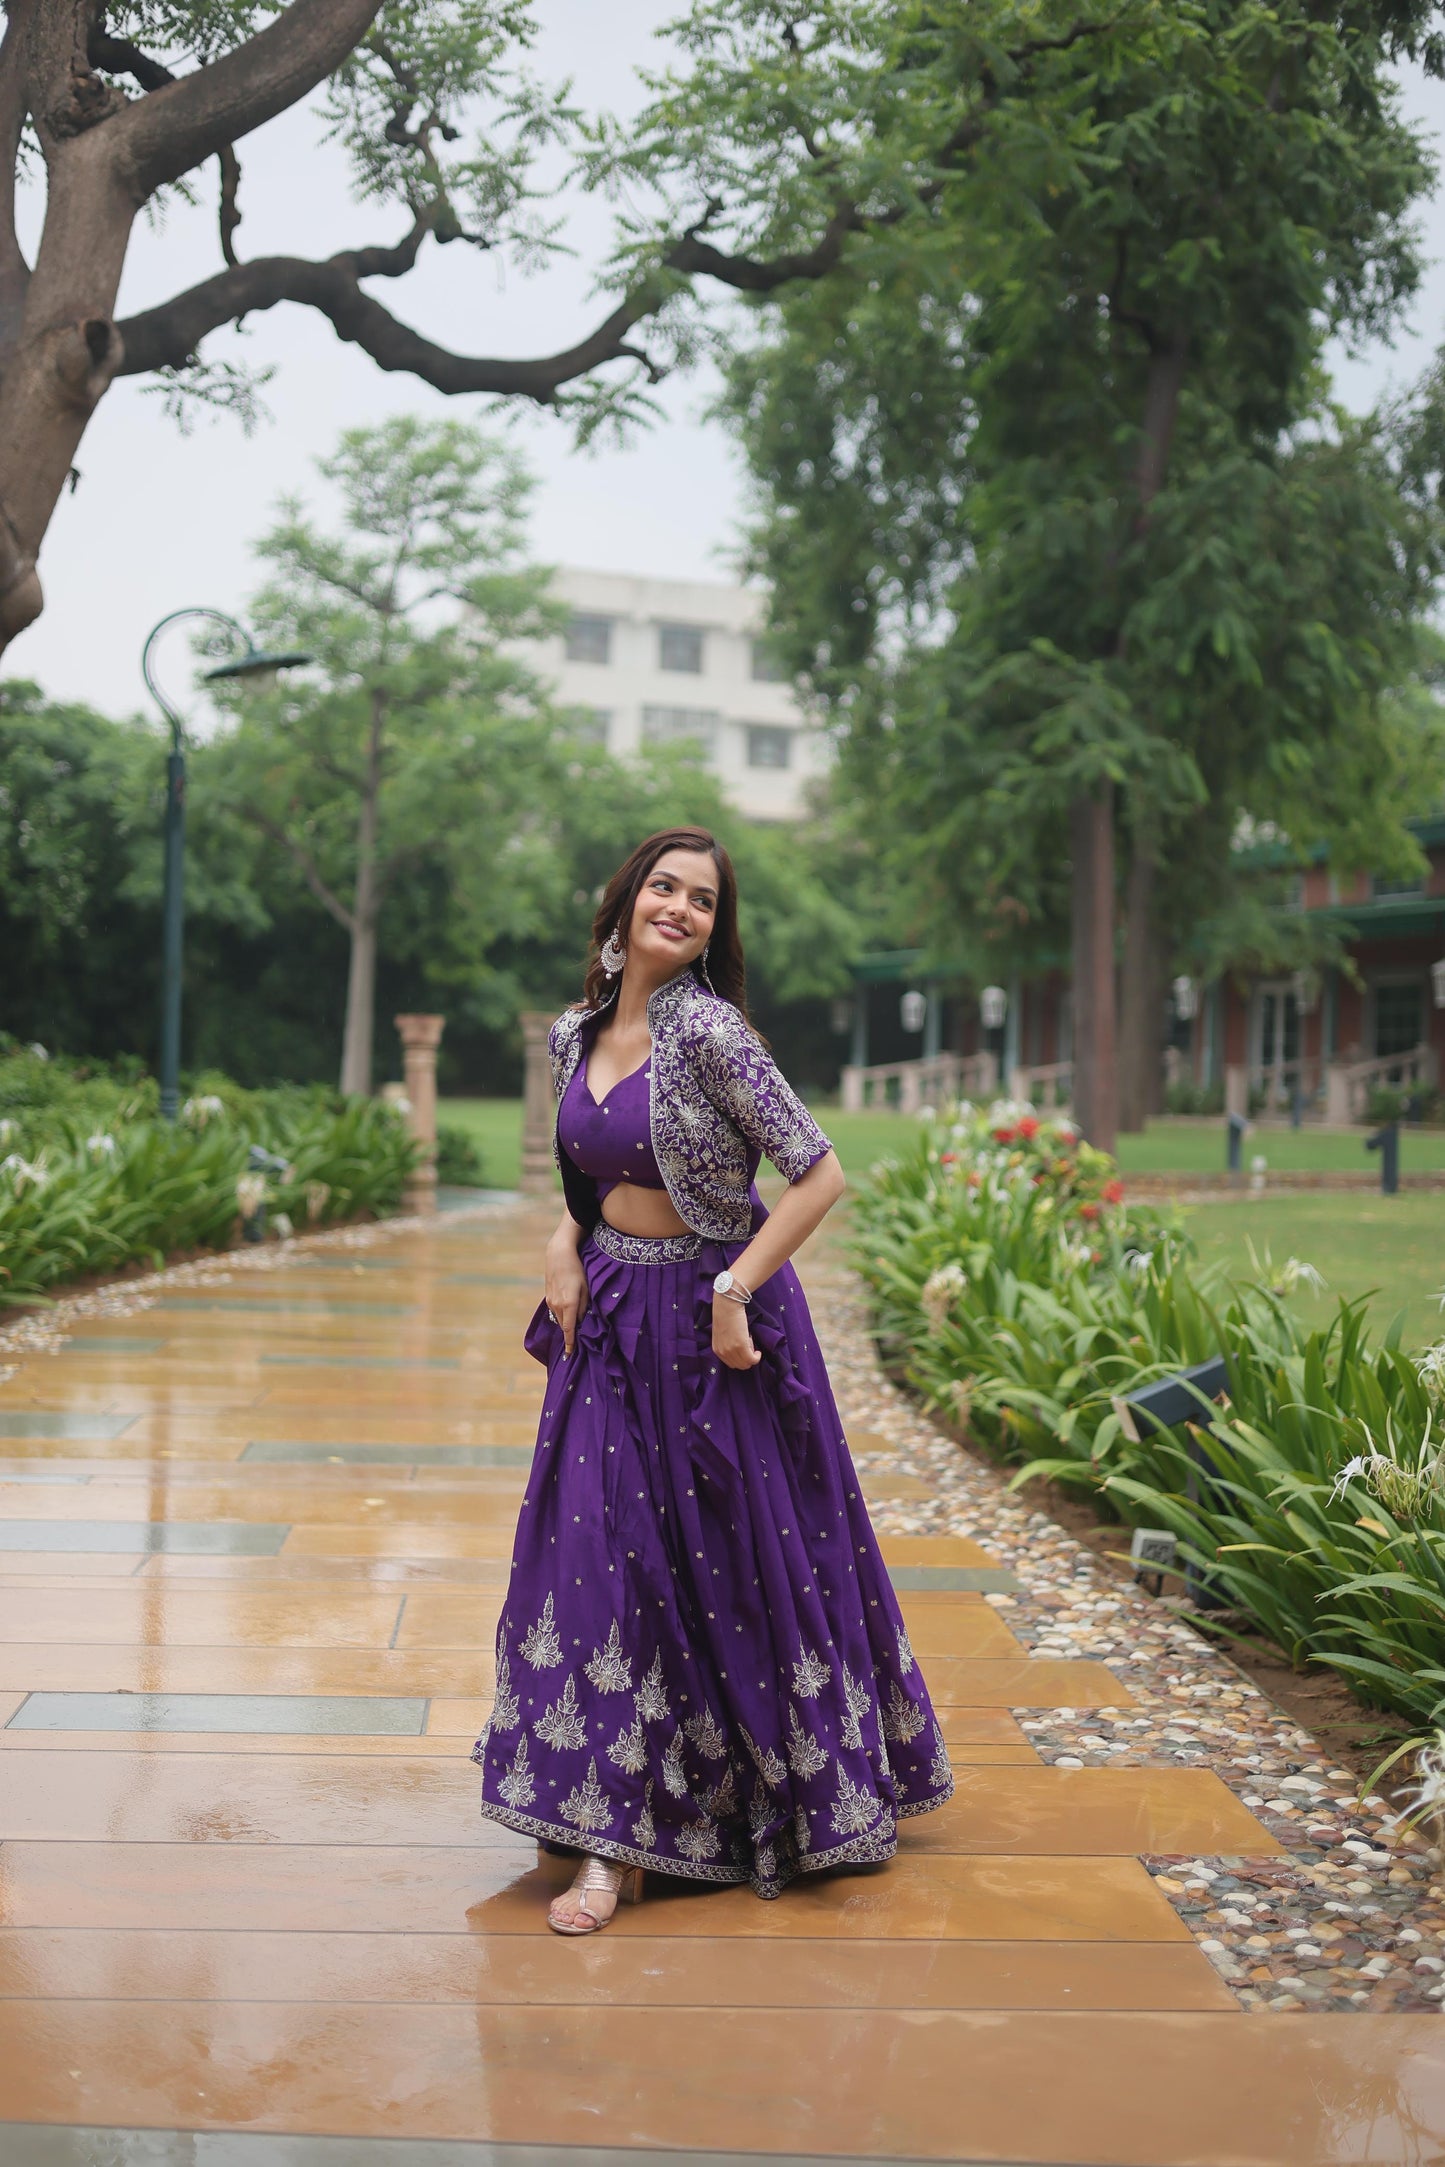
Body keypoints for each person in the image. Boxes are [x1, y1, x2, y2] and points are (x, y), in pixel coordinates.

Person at [474, 827, 952, 1932]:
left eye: (701, 898)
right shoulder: (573, 1032)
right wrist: (561, 1242)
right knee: (590, 1561)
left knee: (723, 1570)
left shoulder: (713, 1035)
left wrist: (734, 1289)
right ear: (626, 901)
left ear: (710, 928)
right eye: (663, 886)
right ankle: (607, 1834)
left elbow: (817, 1172)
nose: (679, 907)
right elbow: (595, 1171)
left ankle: (714, 1807)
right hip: (608, 1324)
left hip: (710, 1329)